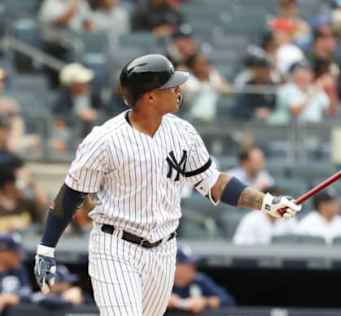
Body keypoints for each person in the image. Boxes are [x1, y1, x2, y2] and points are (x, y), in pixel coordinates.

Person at [33, 54, 302, 316]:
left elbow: (214, 183)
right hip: (115, 247)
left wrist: (266, 202)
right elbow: (71, 195)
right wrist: (46, 248)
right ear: (150, 96)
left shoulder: (182, 132)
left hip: (163, 249)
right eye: (170, 86)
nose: (178, 89)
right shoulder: (104, 140)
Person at [168, 247, 234, 313]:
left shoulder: (199, 280)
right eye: (187, 265)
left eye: (193, 264)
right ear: (175, 266)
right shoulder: (165, 282)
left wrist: (205, 302)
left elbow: (227, 300)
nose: (192, 267)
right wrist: (163, 300)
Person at [233, 187, 298, 245]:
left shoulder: (289, 217)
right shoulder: (251, 219)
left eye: (278, 201)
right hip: (256, 256)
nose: (276, 205)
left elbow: (298, 242)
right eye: (273, 201)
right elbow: (239, 243)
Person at [53, 63, 101, 137]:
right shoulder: (62, 98)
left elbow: (104, 111)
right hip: (72, 134)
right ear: (72, 84)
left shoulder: (93, 94)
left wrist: (95, 114)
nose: (85, 85)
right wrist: (79, 115)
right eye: (81, 83)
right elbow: (59, 115)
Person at [182, 53, 230, 122]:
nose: (204, 67)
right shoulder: (188, 79)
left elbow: (228, 91)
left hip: (212, 118)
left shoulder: (214, 77)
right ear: (193, 66)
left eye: (205, 64)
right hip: (192, 118)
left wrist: (219, 84)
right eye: (200, 64)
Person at [231, 54, 278, 121]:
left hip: (271, 121)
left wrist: (269, 111)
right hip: (250, 121)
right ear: (255, 70)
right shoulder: (248, 86)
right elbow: (240, 108)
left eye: (267, 69)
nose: (264, 72)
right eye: (261, 69)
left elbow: (277, 105)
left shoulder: (273, 86)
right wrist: (255, 112)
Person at [0, 234, 31, 313]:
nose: (20, 255)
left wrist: (11, 298)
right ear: (2, 253)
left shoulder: (19, 269)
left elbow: (27, 294)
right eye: (15, 251)